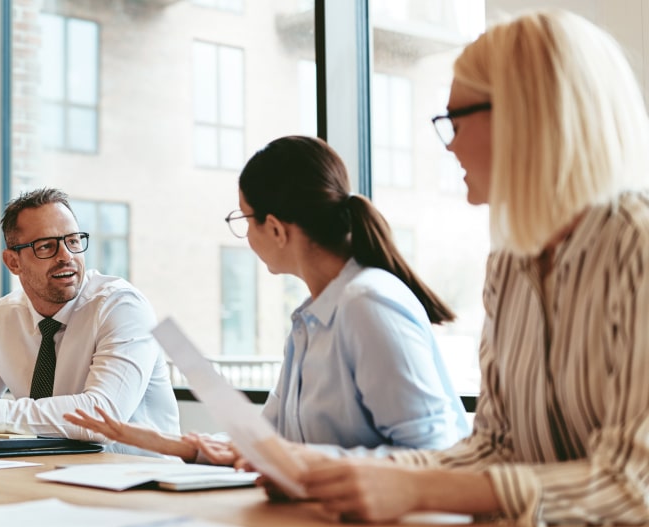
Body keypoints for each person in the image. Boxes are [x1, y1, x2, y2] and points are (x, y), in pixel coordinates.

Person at [297, 10, 649, 527]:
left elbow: (633, 483)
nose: (451, 145)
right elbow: (494, 448)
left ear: (527, 116)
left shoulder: (636, 247)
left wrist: (418, 489)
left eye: (455, 121)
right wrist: (342, 473)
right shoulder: (510, 264)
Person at [67, 136, 469, 462]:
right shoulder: (308, 322)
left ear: (275, 228)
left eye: (244, 219)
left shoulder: (367, 305)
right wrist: (172, 444)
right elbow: (270, 444)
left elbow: (432, 454)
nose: (245, 237)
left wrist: (303, 461)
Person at [0, 188, 180, 456]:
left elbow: (101, 415)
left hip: (139, 483)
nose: (66, 256)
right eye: (47, 247)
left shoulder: (121, 306)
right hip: (50, 475)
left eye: (73, 241)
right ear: (13, 262)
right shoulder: (5, 316)